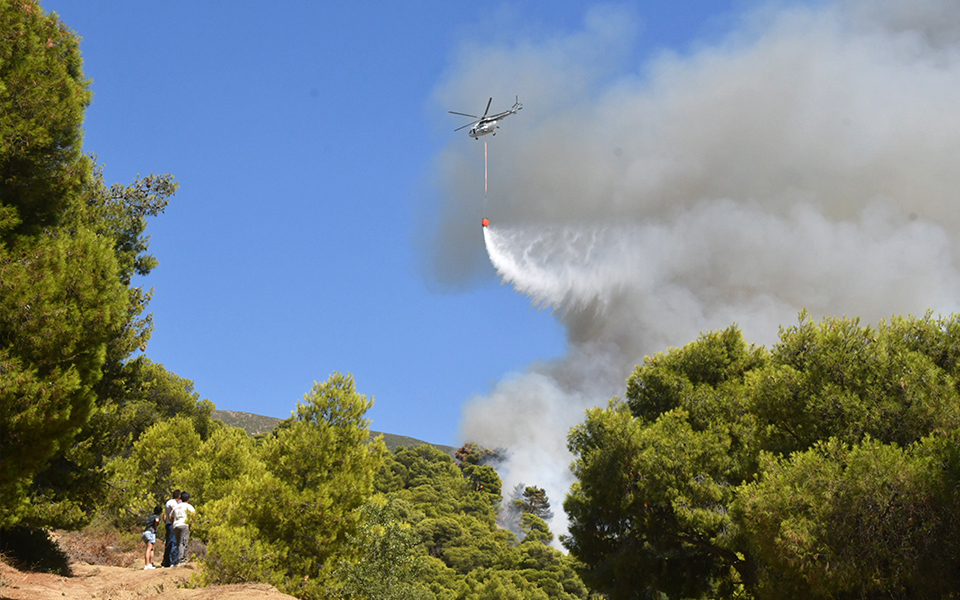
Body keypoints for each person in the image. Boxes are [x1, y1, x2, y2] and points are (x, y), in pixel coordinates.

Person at [171, 491, 196, 566]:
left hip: (176, 525)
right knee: (183, 543)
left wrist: (173, 523)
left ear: (181, 499)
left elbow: (171, 516)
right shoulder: (189, 506)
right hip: (184, 525)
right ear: (189, 499)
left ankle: (178, 559)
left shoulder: (176, 506)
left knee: (179, 543)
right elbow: (194, 514)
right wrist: (191, 522)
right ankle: (181, 560)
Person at [161, 490, 181, 567]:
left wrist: (166, 522)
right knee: (174, 542)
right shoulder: (173, 502)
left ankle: (166, 561)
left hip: (168, 524)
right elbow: (174, 510)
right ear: (179, 496)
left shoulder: (168, 502)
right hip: (172, 524)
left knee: (169, 543)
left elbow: (165, 515)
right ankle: (173, 561)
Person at [142, 505, 162, 570]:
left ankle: (151, 563)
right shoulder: (157, 516)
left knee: (152, 548)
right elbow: (157, 520)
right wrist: (155, 526)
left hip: (145, 532)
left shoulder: (151, 516)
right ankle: (147, 565)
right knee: (149, 548)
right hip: (150, 532)